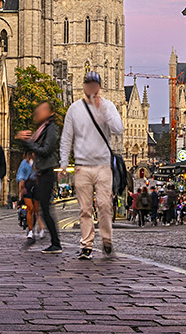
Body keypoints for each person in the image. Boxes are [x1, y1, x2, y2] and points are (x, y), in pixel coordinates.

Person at [59, 71, 126, 259]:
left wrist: (103, 112)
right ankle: (86, 245)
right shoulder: (74, 109)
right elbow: (67, 137)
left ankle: (106, 239)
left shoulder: (108, 106)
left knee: (105, 205)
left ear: (99, 87)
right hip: (82, 166)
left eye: (94, 85)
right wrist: (64, 163)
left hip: (103, 165)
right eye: (88, 85)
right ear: (84, 86)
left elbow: (119, 129)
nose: (91, 89)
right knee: (85, 209)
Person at [17, 101, 63, 253]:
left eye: (43, 110)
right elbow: (34, 150)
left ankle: (55, 243)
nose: (39, 113)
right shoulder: (42, 129)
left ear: (50, 113)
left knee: (44, 208)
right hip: (39, 173)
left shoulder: (51, 129)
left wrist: (27, 142)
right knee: (41, 208)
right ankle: (43, 237)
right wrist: (24, 141)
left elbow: (45, 150)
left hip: (47, 172)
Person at [16, 153, 40, 241]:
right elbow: (20, 175)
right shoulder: (24, 163)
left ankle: (33, 227)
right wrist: (21, 182)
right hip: (27, 186)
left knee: (36, 210)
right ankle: (30, 230)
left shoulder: (39, 162)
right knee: (30, 208)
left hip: (37, 186)